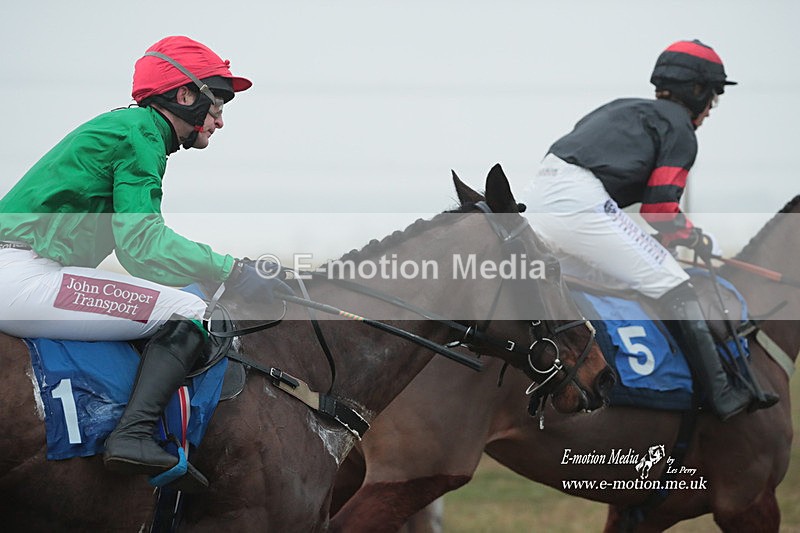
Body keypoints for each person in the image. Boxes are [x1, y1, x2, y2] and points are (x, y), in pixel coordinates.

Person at [0, 36, 289, 487]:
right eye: (217, 103)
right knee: (191, 313)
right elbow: (143, 246)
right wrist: (231, 269)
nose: (220, 120)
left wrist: (215, 273)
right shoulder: (141, 134)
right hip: (20, 275)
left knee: (185, 301)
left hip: (24, 271)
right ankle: (132, 436)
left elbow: (138, 255)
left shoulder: (133, 130)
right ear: (184, 95)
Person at [521, 39, 776, 421]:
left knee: (602, 284)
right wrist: (693, 238)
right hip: (580, 200)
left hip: (539, 195)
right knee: (674, 284)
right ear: (698, 91)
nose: (710, 109)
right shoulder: (680, 129)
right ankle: (722, 394)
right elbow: (659, 212)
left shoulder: (623, 108)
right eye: (713, 97)